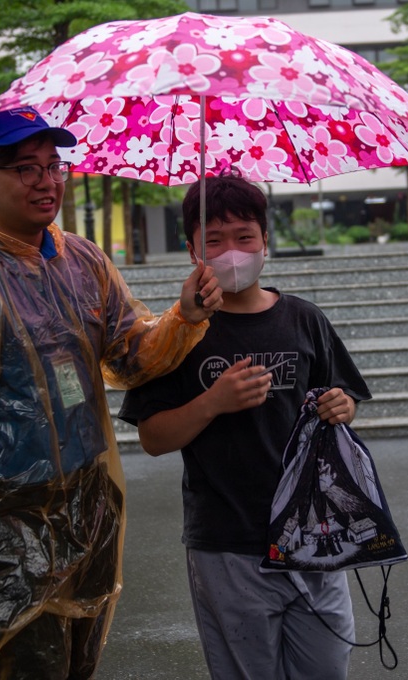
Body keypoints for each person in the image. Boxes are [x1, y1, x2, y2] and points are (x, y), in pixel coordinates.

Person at [0, 106, 222, 680]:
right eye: (25, 168)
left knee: (78, 667)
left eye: (54, 165)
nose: (47, 181)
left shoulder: (83, 262)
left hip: (90, 502)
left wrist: (184, 317)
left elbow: (129, 356)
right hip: (5, 517)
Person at [118, 173, 372, 680]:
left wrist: (342, 407)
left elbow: (341, 401)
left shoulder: (304, 320)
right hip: (226, 542)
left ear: (264, 241)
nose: (231, 251)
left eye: (244, 237)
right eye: (213, 240)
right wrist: (212, 402)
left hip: (314, 534)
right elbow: (152, 439)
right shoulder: (177, 335)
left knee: (326, 669)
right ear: (192, 249)